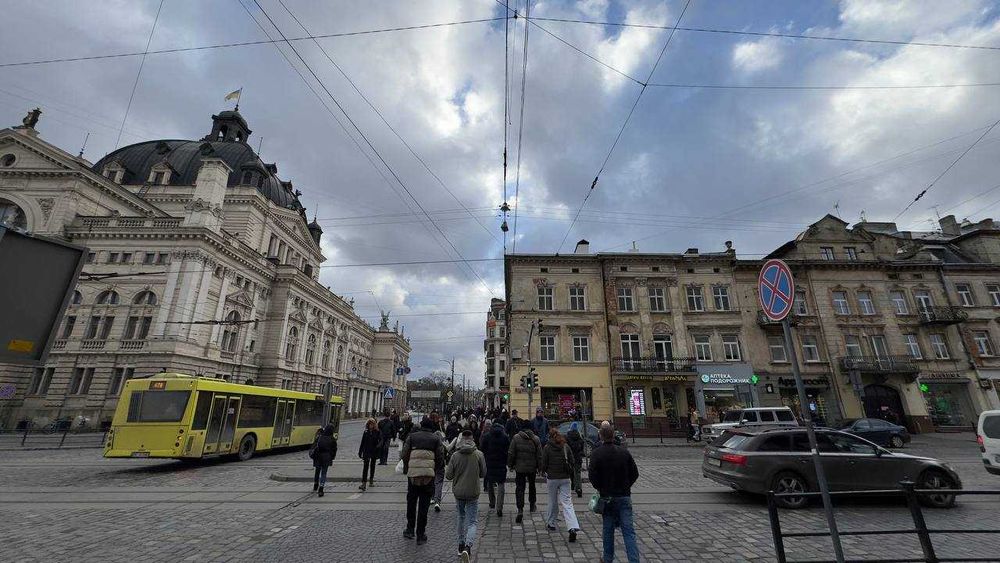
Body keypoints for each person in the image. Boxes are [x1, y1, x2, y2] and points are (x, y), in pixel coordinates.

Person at [590, 422, 640, 563]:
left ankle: (607, 559)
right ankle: (634, 560)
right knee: (629, 532)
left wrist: (601, 488)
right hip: (624, 497)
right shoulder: (624, 452)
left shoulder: (596, 454)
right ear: (613, 436)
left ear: (600, 436)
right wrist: (625, 486)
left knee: (608, 531)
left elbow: (593, 478)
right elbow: (635, 474)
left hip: (607, 498)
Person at [401, 416, 447, 545]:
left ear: (421, 425)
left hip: (413, 475)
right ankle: (421, 534)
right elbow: (440, 457)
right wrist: (435, 469)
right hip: (428, 476)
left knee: (411, 502)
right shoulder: (435, 439)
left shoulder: (412, 437)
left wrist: (407, 467)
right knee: (424, 506)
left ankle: (410, 529)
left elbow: (404, 454)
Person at [446, 430, 486, 560]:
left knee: (460, 517)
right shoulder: (479, 454)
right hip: (473, 491)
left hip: (459, 492)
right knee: (472, 522)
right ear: (473, 439)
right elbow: (483, 474)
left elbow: (449, 475)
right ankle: (468, 547)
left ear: (462, 439)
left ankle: (460, 545)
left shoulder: (455, 455)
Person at [540, 427, 581, 541]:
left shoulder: (547, 447)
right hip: (565, 478)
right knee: (567, 502)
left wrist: (543, 471)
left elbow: (544, 463)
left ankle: (551, 522)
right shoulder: (565, 446)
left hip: (552, 478)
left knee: (552, 500)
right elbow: (572, 461)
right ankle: (572, 527)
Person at [507, 421, 541, 523]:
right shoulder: (536, 439)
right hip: (532, 468)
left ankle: (520, 509)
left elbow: (511, 453)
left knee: (520, 488)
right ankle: (532, 504)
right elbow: (539, 455)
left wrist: (510, 465)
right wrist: (540, 468)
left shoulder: (516, 438)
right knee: (532, 486)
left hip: (520, 468)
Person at [480, 418, 510, 516]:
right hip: (501, 463)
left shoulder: (487, 436)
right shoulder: (505, 437)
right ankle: (499, 507)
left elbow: (482, 449)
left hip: (490, 463)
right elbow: (508, 450)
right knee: (501, 484)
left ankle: (492, 502)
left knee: (490, 482)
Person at [311, 424, 338, 497]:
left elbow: (314, 445)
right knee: (324, 473)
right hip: (326, 457)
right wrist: (332, 457)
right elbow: (334, 449)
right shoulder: (332, 439)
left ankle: (316, 484)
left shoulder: (320, 436)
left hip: (318, 456)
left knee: (317, 471)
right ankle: (321, 488)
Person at [358, 418, 382, 491]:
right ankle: (364, 483)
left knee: (372, 465)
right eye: (369, 424)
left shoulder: (377, 432)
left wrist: (378, 446)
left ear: (374, 425)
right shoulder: (366, 432)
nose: (370, 426)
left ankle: (371, 479)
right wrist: (360, 451)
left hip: (374, 451)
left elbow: (381, 440)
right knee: (365, 467)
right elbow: (362, 442)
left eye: (372, 424)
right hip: (366, 451)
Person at [565, 422, 586, 498]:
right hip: (578, 458)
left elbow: (566, 448)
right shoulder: (580, 437)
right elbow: (582, 449)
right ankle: (579, 489)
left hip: (570, 458)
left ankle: (571, 486)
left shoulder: (567, 436)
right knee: (577, 473)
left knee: (570, 473)